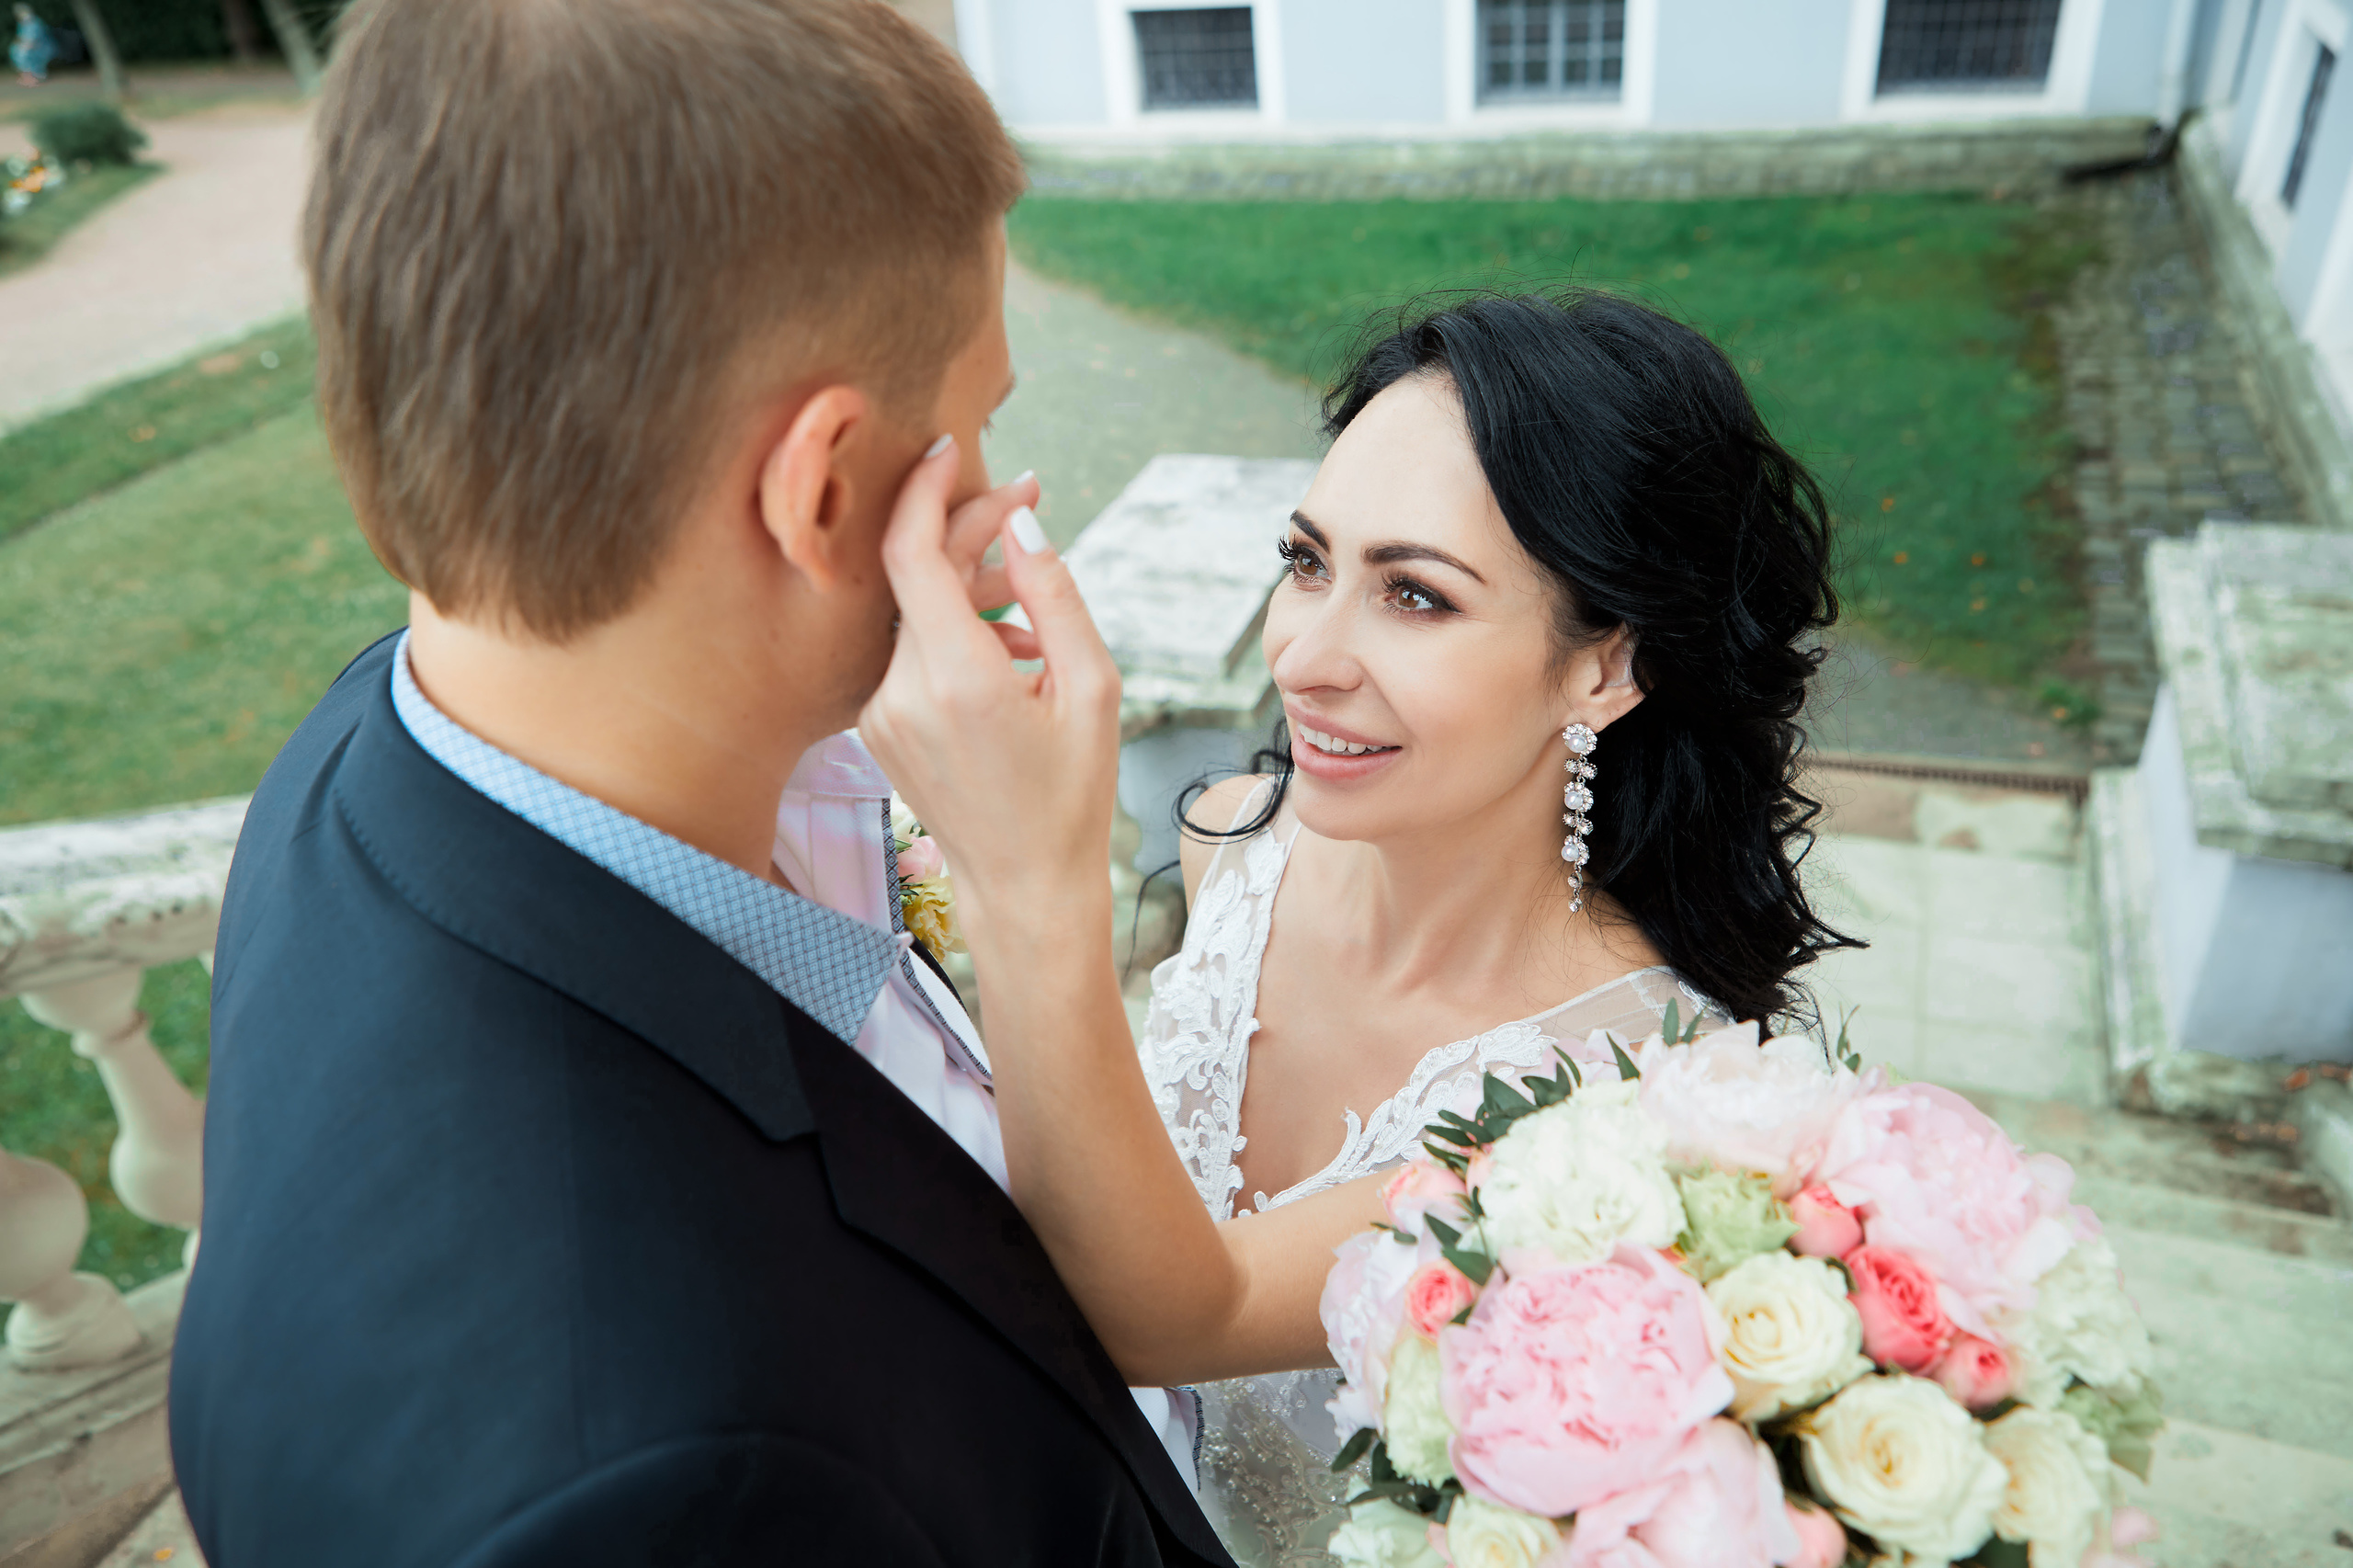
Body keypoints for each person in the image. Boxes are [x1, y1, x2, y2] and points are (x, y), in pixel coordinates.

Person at [172, 0, 1369, 1561]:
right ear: (817, 490)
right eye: (981, 419)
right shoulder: (662, 1480)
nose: (1004, 490)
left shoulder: (384, 745)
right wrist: (1038, 891)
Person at [858, 291, 1860, 1565]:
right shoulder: (1235, 841)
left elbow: (1177, 1312)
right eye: (1309, 561)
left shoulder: (1631, 1106)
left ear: (1606, 664)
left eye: (1417, 597)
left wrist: (1021, 873)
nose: (1306, 657)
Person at [11, 4, 52, 85]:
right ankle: (27, 77)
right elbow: (20, 37)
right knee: (15, 51)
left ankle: (36, 76)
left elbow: (37, 40)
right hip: (29, 46)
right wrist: (21, 45)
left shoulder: (36, 23)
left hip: (42, 48)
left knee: (24, 54)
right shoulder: (22, 24)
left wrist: (27, 46)